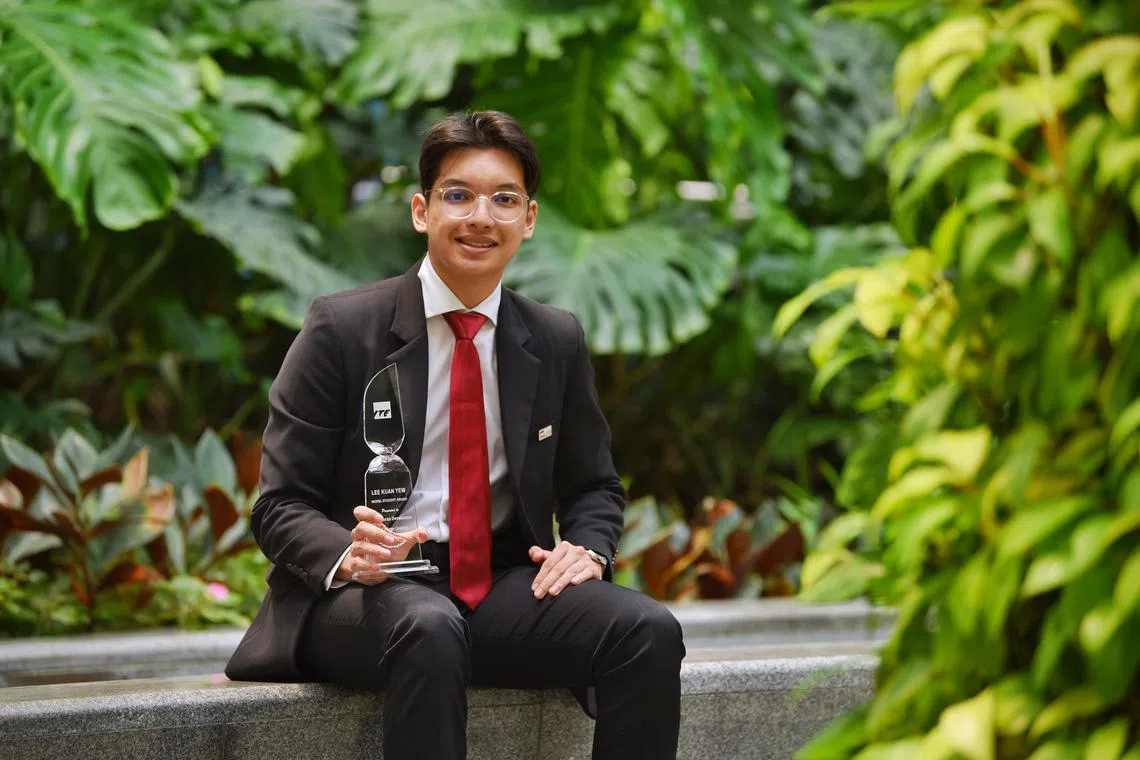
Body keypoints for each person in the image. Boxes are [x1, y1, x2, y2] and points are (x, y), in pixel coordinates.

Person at [225, 110, 685, 760]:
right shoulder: (341, 330)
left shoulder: (553, 339)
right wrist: (348, 554)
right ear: (422, 210)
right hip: (369, 593)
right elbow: (278, 505)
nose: (481, 217)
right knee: (430, 626)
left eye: (504, 199)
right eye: (458, 195)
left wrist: (585, 547)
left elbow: (593, 486)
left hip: (499, 585)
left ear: (528, 219)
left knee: (648, 629)